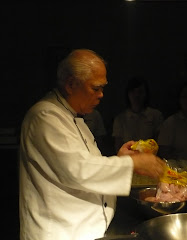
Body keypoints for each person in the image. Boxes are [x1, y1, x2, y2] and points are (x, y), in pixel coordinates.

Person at [19, 49, 165, 240]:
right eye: (96, 88)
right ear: (71, 84)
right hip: (61, 232)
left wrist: (120, 159)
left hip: (83, 229)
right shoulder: (45, 117)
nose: (101, 95)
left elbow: (85, 162)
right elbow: (78, 170)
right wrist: (132, 164)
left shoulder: (72, 116)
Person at [112, 77, 164, 152]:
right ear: (128, 94)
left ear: (146, 94)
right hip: (128, 158)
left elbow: (159, 144)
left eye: (140, 92)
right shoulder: (120, 119)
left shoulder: (155, 115)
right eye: (133, 92)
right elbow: (118, 147)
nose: (136, 95)